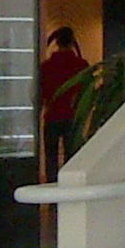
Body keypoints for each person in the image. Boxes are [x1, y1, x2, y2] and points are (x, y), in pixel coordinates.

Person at [39, 26, 88, 174]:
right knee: (72, 158)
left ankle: (50, 191)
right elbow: (85, 92)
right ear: (72, 42)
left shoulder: (46, 66)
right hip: (73, 116)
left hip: (52, 115)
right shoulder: (81, 65)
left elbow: (40, 93)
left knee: (51, 159)